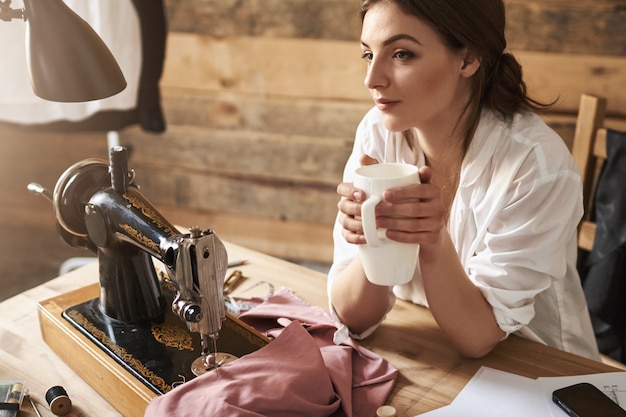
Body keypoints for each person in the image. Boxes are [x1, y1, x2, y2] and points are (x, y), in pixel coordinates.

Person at [327, 0, 600, 360]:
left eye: (402, 54)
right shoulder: (379, 132)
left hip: (540, 370)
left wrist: (432, 238)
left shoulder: (536, 166)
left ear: (468, 59)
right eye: (368, 54)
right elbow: (353, 317)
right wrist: (372, 236)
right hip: (428, 349)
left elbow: (479, 338)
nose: (372, 79)